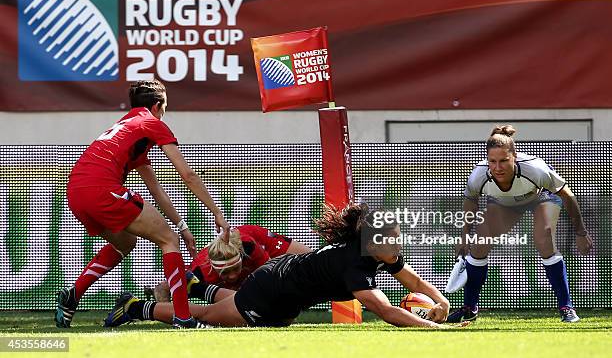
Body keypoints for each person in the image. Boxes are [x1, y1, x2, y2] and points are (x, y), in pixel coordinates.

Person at [104, 203, 463, 329]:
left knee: (232, 311)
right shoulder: (357, 266)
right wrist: (431, 329)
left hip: (283, 291)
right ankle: (141, 308)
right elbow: (384, 310)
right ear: (374, 242)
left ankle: (202, 290)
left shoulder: (378, 252)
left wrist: (440, 300)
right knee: (207, 317)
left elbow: (411, 279)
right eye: (394, 238)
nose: (399, 243)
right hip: (271, 289)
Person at [56, 79, 230, 329]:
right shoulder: (152, 123)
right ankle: (182, 317)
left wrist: (183, 227)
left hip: (75, 192)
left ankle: (74, 293)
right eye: (165, 107)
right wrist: (217, 213)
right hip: (102, 189)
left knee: (126, 242)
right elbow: (187, 175)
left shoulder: (127, 127)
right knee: (168, 241)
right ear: (158, 105)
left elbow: (156, 190)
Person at [448, 125, 593, 323]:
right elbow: (471, 201)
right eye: (492, 161)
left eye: (504, 161)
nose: (498, 167)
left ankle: (566, 307)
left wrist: (581, 232)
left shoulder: (535, 169)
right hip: (504, 204)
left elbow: (567, 195)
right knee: (480, 241)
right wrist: (464, 236)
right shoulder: (478, 175)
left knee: (544, 237)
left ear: (514, 156)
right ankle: (469, 308)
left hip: (542, 197)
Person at [147, 225, 312, 302]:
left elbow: (271, 276)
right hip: (208, 274)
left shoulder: (249, 247)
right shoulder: (200, 273)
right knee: (238, 300)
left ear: (241, 259)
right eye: (225, 272)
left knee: (311, 260)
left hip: (260, 241)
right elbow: (164, 289)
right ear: (213, 267)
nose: (232, 276)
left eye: (235, 269)